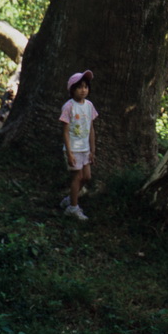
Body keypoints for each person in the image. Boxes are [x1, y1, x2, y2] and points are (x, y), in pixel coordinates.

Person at [59, 69, 97, 221]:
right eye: (79, 87)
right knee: (77, 177)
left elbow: (91, 128)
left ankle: (70, 199)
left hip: (85, 149)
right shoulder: (68, 106)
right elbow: (66, 131)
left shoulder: (89, 106)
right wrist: (69, 153)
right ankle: (73, 208)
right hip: (73, 149)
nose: (83, 90)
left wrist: (93, 150)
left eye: (86, 87)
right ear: (72, 89)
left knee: (87, 177)